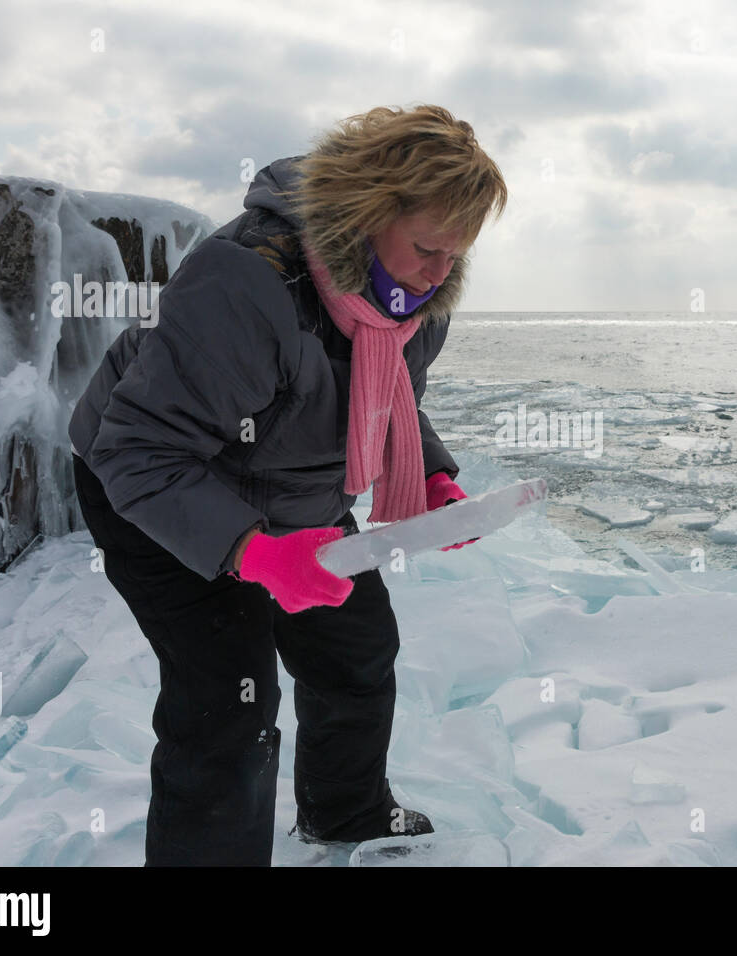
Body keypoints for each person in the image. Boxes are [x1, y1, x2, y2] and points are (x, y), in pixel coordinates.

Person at [67, 104, 508, 866]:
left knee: (356, 649)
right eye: (429, 248)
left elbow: (388, 396)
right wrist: (255, 554)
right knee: (229, 706)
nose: (440, 275)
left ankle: (345, 813)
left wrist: (431, 476)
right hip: (158, 485)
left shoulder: (417, 297)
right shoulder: (247, 282)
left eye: (456, 256)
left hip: (296, 491)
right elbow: (137, 448)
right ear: (369, 213)